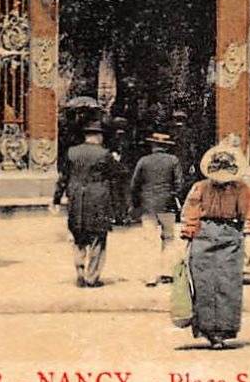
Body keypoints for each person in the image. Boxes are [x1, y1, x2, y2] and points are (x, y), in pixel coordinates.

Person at [179, 143, 250, 349]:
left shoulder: (242, 189)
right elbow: (191, 211)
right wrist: (188, 233)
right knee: (204, 284)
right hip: (203, 236)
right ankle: (208, 330)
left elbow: (249, 213)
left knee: (228, 285)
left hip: (230, 237)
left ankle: (225, 330)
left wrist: (247, 231)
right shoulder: (200, 187)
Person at [51, 119, 119, 287]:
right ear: (98, 136)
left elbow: (63, 178)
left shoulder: (72, 152)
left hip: (76, 200)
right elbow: (116, 175)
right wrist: (116, 160)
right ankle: (92, 276)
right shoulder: (104, 154)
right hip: (98, 200)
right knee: (98, 238)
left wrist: (56, 199)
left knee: (78, 236)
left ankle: (80, 272)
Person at [129, 132, 184, 287]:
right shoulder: (173, 160)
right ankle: (167, 273)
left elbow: (134, 185)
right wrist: (173, 196)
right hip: (167, 204)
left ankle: (150, 277)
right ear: (166, 147)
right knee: (168, 238)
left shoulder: (143, 161)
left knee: (150, 241)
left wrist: (135, 204)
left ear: (152, 145)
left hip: (148, 205)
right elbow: (180, 184)